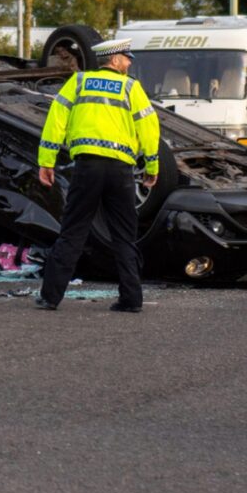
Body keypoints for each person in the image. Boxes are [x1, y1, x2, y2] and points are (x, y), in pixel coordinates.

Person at [33, 37, 160, 314]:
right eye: (126, 58)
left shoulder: (78, 82)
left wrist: (47, 161)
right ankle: (131, 299)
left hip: (87, 168)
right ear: (114, 60)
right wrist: (152, 167)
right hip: (120, 172)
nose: (128, 63)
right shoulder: (131, 88)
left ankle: (50, 297)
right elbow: (149, 129)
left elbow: (56, 121)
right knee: (124, 235)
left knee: (73, 232)